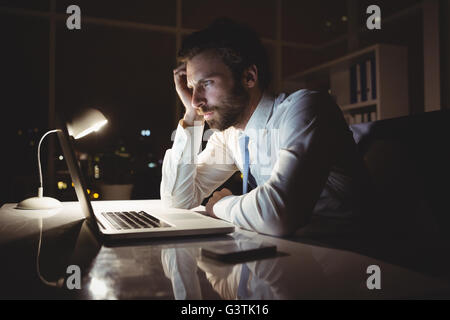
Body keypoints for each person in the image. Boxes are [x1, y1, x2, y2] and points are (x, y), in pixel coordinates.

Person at [160, 18, 371, 237]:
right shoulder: (230, 135)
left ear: (249, 77)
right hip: (290, 254)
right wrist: (192, 116)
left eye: (206, 84)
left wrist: (221, 204)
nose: (195, 99)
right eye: (192, 87)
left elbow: (278, 217)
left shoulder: (306, 109)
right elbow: (178, 201)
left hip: (347, 254)